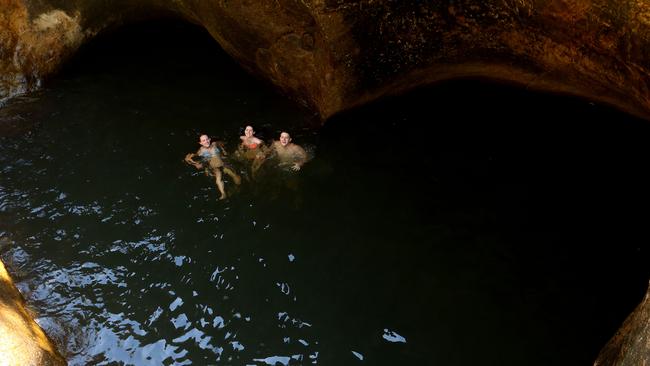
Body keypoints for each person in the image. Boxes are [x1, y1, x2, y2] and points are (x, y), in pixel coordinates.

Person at [184, 134, 241, 200]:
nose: (206, 141)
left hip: (223, 163)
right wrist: (192, 161)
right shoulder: (201, 151)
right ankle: (223, 193)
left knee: (234, 174)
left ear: (209, 139)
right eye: (203, 140)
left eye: (207, 139)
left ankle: (238, 187)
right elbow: (194, 159)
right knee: (218, 180)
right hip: (214, 167)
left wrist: (225, 148)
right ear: (201, 143)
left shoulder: (215, 144)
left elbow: (223, 143)